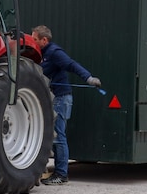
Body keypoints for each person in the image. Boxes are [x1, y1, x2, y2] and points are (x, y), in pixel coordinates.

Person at [31, 25, 101, 185]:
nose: (32, 41)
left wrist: (89, 78)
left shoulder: (54, 52)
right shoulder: (40, 54)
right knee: (50, 135)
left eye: (35, 39)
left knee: (58, 135)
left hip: (61, 98)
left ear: (44, 40)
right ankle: (49, 171)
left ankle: (61, 174)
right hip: (50, 98)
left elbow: (71, 65)